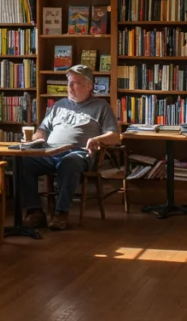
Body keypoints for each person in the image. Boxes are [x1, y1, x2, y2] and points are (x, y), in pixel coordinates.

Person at [17, 64, 120, 231]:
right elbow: (43, 130)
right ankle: (35, 211)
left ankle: (61, 213)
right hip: (50, 152)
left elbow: (115, 136)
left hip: (79, 154)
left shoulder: (101, 107)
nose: (70, 87)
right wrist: (34, 140)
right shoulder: (59, 105)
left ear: (89, 86)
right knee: (22, 162)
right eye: (69, 83)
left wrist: (97, 139)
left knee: (69, 162)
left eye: (75, 83)